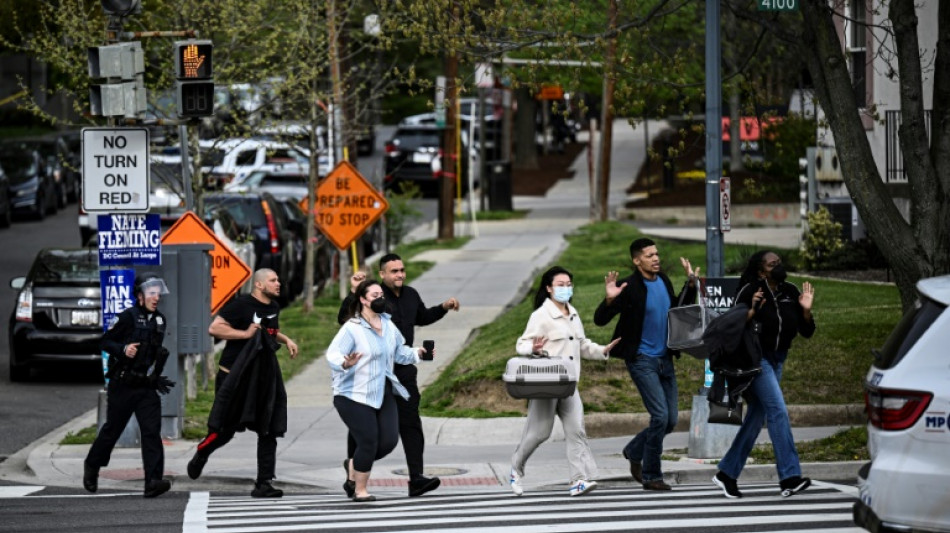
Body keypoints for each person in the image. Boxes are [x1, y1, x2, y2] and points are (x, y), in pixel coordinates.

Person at [336, 253, 459, 497]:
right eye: (394, 271)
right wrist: (353, 292)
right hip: (373, 371)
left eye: (402, 270)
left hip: (402, 371)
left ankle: (416, 479)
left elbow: (421, 317)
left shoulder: (411, 294)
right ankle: (353, 475)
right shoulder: (374, 295)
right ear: (382, 274)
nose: (400, 274)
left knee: (411, 422)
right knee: (363, 425)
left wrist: (443, 307)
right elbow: (345, 318)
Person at [593, 237, 699, 491]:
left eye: (657, 254)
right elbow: (599, 320)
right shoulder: (629, 285)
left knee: (670, 419)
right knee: (660, 416)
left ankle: (634, 449)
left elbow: (678, 310)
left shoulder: (663, 280)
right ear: (636, 260)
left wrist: (691, 285)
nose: (656, 259)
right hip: (641, 359)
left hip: (664, 359)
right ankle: (651, 475)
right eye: (649, 255)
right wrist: (609, 300)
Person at [186, 268, 299, 498]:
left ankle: (263, 483)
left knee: (268, 429)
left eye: (278, 279)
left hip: (263, 378)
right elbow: (214, 328)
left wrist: (286, 339)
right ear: (259, 285)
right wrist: (245, 334)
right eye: (273, 280)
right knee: (224, 430)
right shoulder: (241, 305)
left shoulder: (273, 307)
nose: (279, 283)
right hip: (234, 378)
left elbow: (268, 330)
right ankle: (202, 453)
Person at [509, 266, 620, 497]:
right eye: (560, 284)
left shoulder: (573, 313)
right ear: (549, 288)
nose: (566, 288)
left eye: (569, 284)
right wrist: (534, 348)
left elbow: (581, 345)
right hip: (546, 384)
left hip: (569, 384)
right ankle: (516, 468)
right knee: (539, 433)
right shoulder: (540, 315)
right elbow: (521, 345)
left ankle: (578, 480)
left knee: (576, 431)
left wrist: (603, 350)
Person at [712, 250, 815, 499]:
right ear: (761, 271)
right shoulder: (750, 290)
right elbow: (733, 324)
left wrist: (806, 310)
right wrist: (753, 308)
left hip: (778, 359)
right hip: (755, 360)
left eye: (779, 262)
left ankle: (726, 473)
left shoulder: (790, 291)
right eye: (772, 264)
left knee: (757, 418)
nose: (778, 266)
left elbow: (807, 331)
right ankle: (789, 477)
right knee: (778, 411)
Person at [329, 279, 430, 502]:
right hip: (352, 394)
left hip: (382, 391)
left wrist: (418, 353)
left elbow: (399, 352)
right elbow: (333, 354)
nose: (380, 299)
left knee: (388, 442)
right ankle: (360, 490)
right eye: (374, 296)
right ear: (363, 300)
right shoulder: (352, 328)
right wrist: (345, 363)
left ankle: (354, 465)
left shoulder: (387, 324)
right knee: (368, 441)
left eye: (381, 295)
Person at [83, 273, 175, 498]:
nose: (156, 297)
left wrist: (155, 375)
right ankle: (92, 466)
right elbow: (105, 341)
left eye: (158, 293)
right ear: (140, 296)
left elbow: (153, 353)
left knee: (152, 432)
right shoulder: (127, 317)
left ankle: (152, 481)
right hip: (123, 385)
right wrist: (123, 350)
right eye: (151, 293)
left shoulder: (160, 320)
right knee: (112, 430)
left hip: (146, 386)